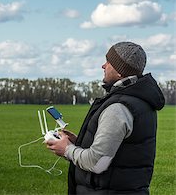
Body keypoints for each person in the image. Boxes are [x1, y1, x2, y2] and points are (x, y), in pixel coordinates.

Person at [46, 41, 165, 194]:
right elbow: (120, 150)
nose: (103, 66)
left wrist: (67, 149)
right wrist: (79, 142)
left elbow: (97, 163)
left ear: (120, 71)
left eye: (108, 62)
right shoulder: (139, 101)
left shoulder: (119, 107)